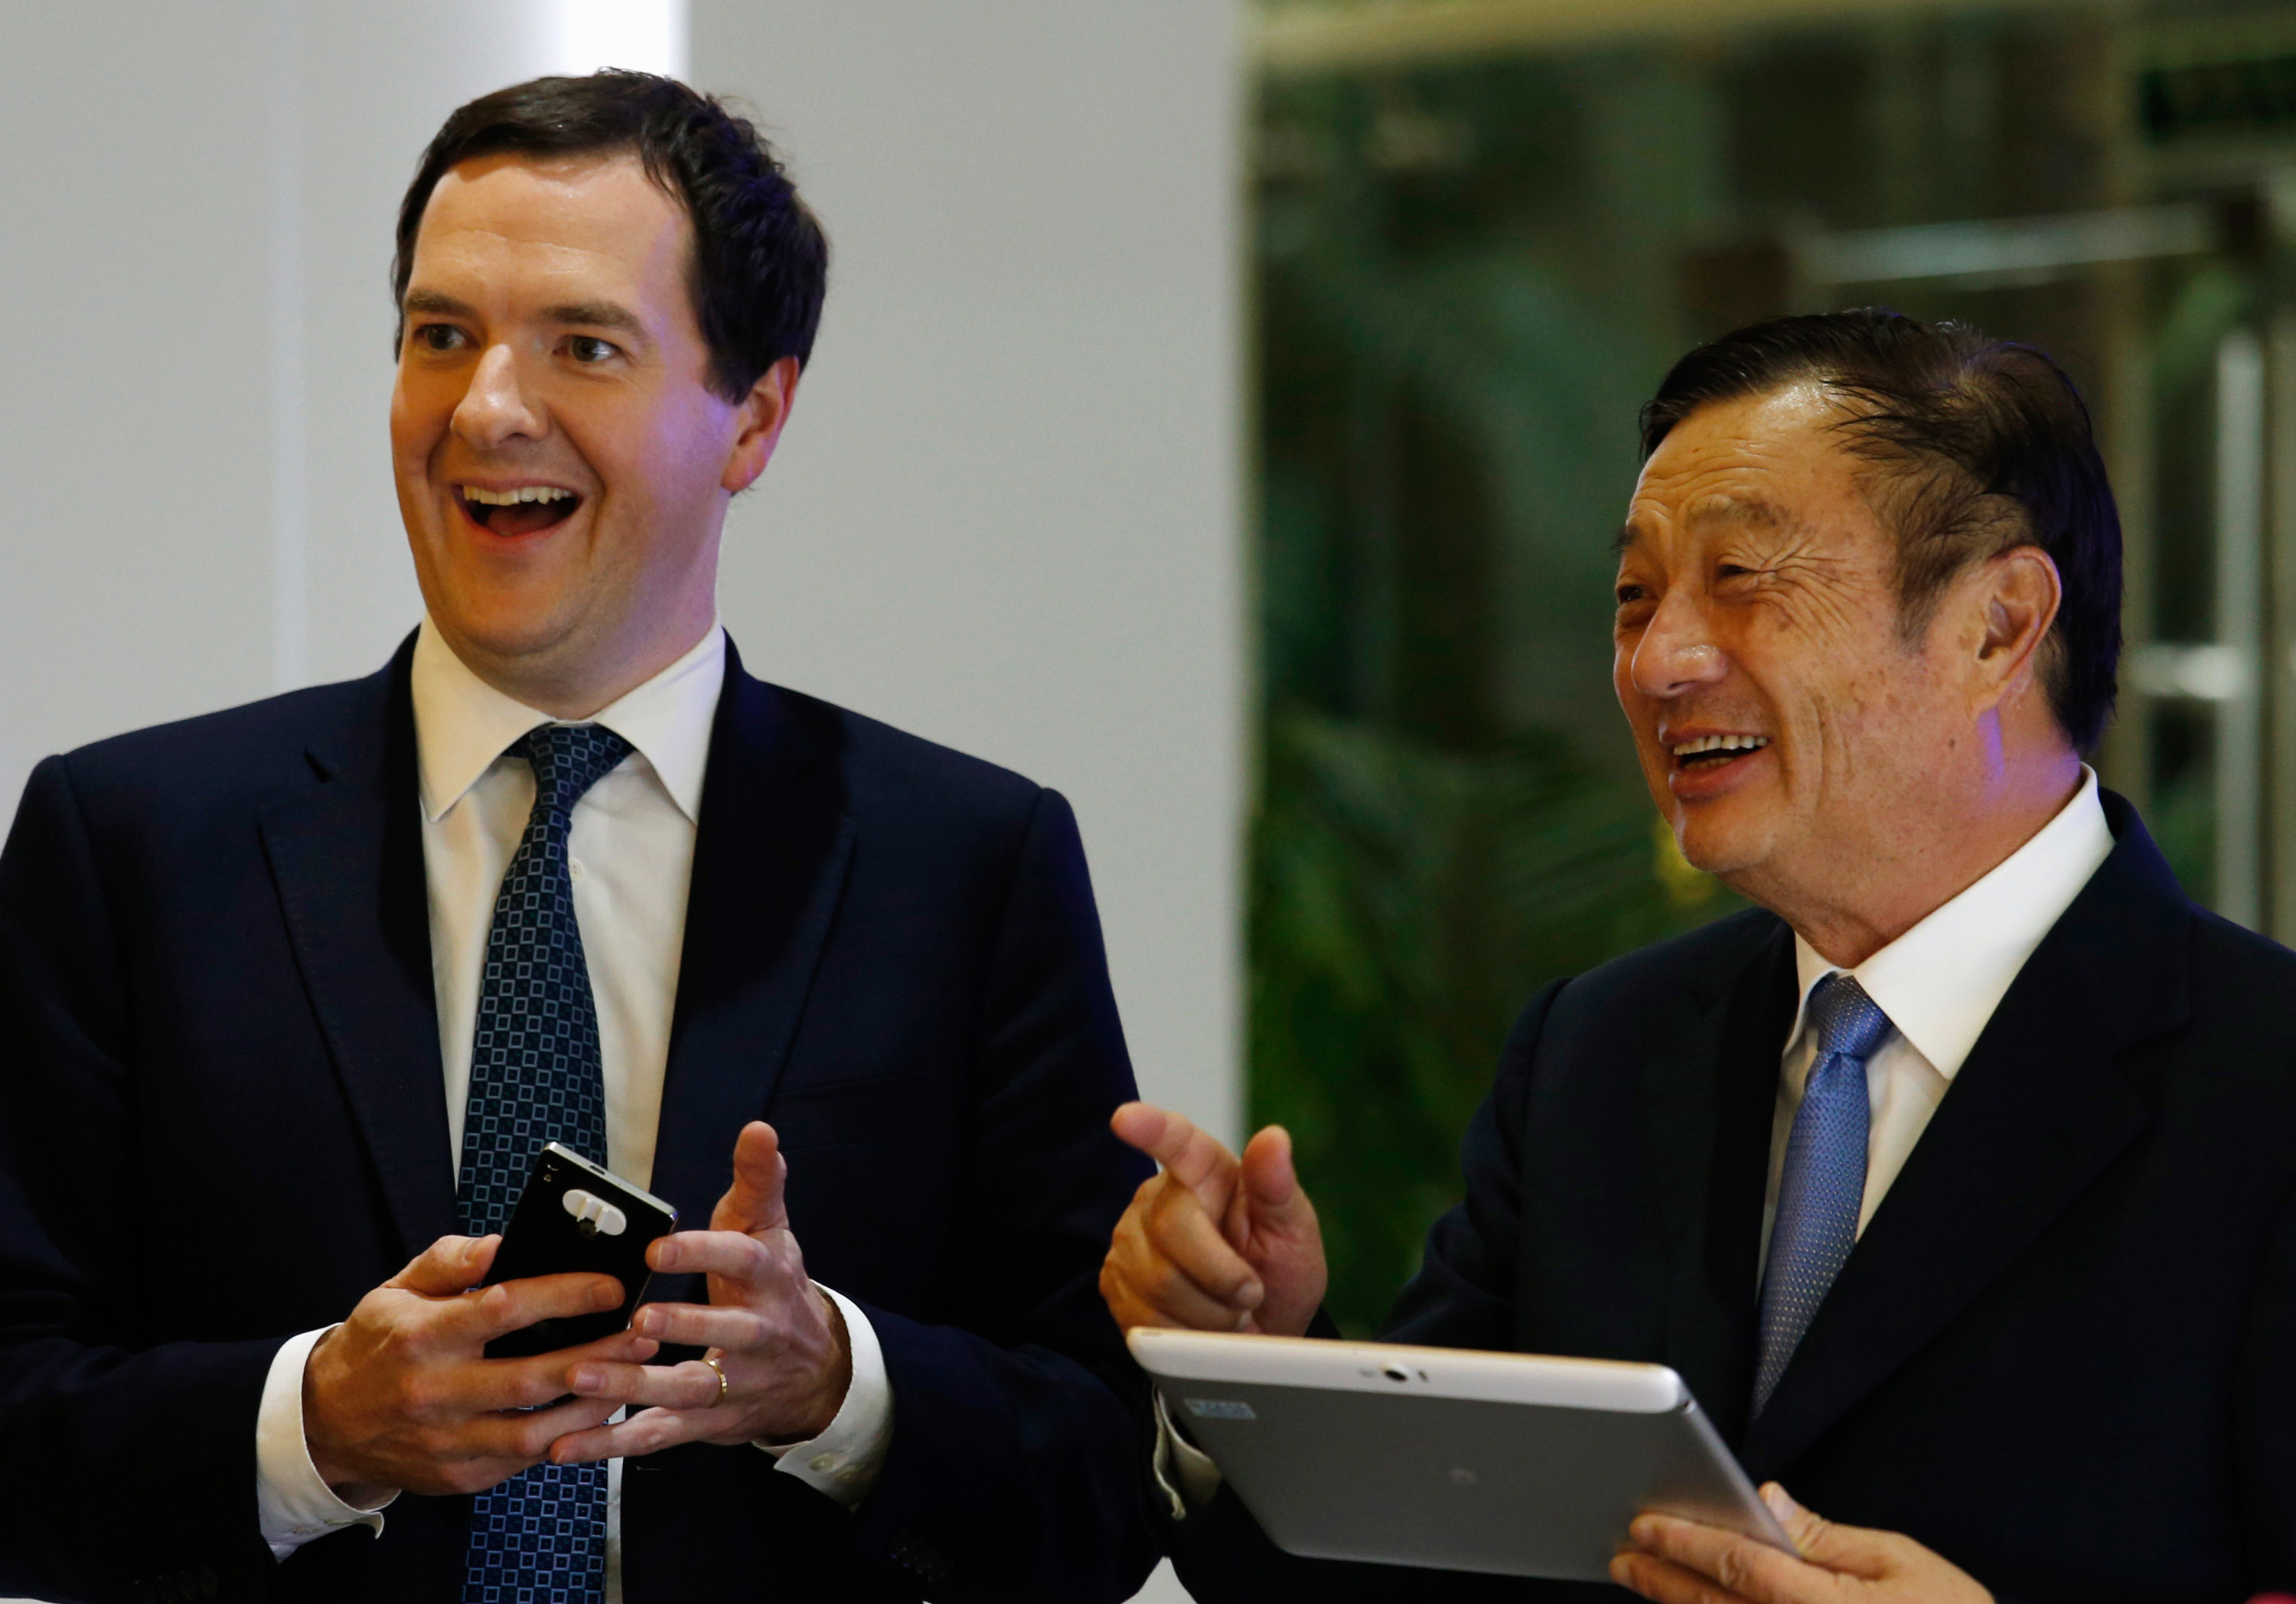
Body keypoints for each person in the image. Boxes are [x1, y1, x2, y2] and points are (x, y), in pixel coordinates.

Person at [0, 72, 1156, 1604]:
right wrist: (316, 1427)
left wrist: (837, 1388)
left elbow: (1104, 1471)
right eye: (440, 335)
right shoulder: (134, 845)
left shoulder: (964, 865)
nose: (485, 407)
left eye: (583, 346)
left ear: (752, 417)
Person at [1103, 310, 2296, 1602]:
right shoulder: (1597, 1055)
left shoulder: (2262, 1083)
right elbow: (1417, 1565)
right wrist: (1252, 1369)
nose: (1659, 660)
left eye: (1744, 580)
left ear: (1999, 626)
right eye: (1634, 595)